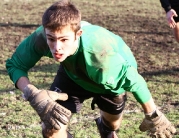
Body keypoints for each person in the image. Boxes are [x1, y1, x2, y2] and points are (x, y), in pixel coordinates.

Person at [6, 0, 176, 138]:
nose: (56, 47)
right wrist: (31, 93)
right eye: (52, 38)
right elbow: (15, 65)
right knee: (51, 127)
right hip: (72, 74)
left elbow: (134, 80)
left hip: (108, 82)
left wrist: (153, 115)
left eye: (64, 40)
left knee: (112, 125)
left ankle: (106, 128)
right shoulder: (42, 37)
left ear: (77, 34)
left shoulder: (101, 54)